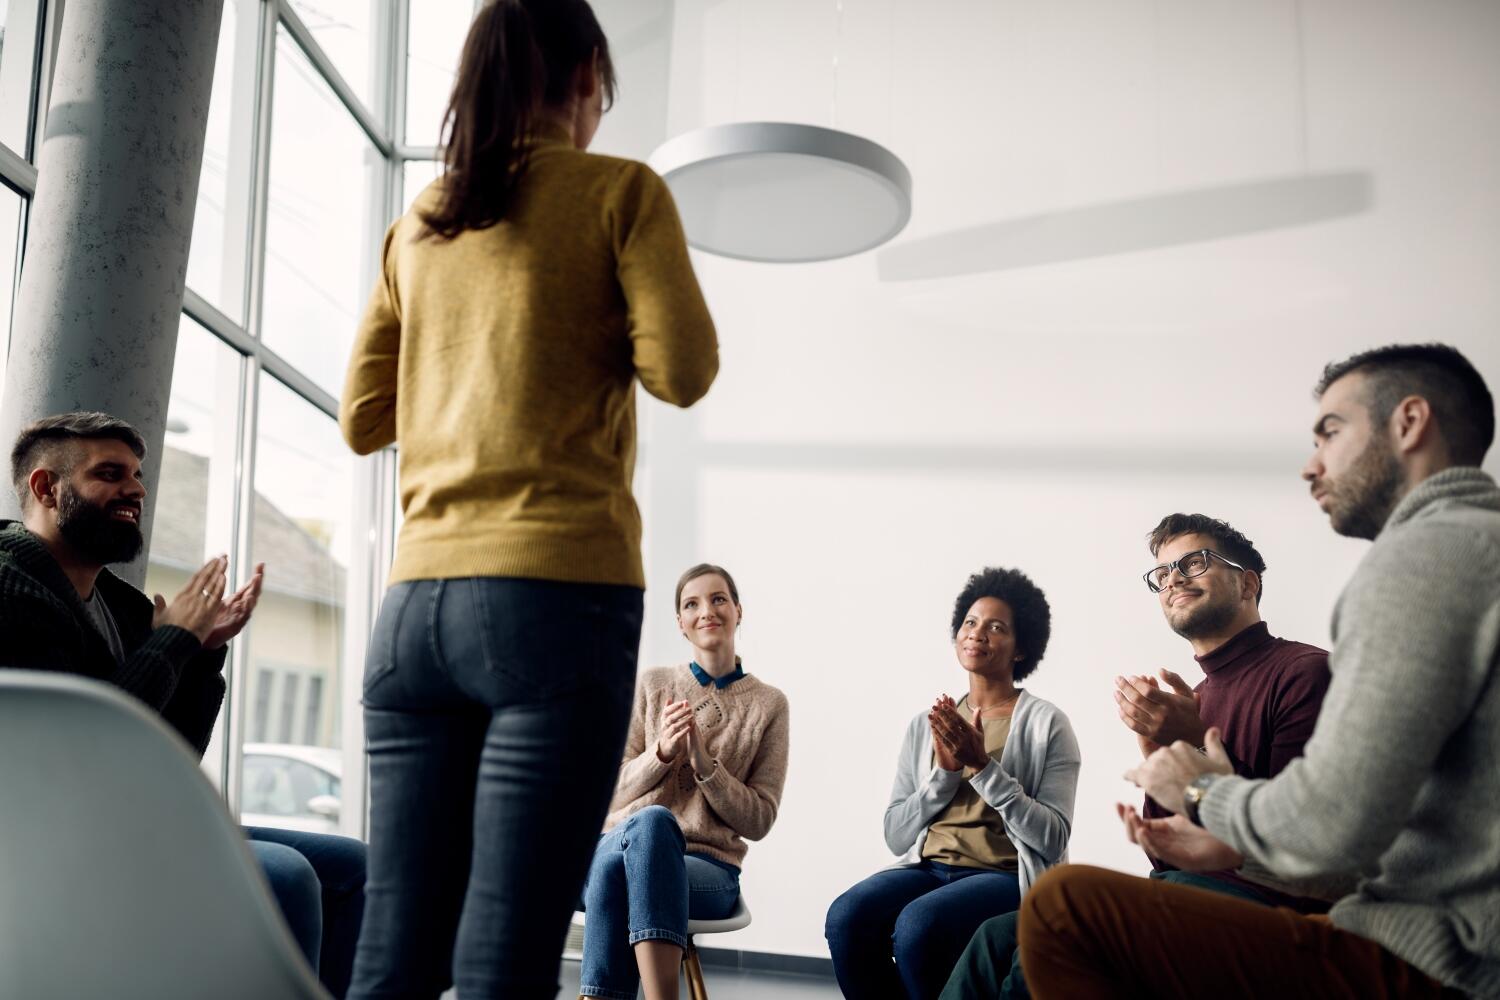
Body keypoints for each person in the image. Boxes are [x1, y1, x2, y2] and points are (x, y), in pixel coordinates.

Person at [338, 1, 718, 995]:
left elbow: (362, 417)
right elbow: (682, 369)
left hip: (412, 609)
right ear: (589, 73)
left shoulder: (418, 224)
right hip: (554, 598)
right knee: (506, 952)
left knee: (395, 947)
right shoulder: (619, 193)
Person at [1017, 343, 1500, 999]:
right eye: (1161, 574)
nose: (1311, 465)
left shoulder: (1422, 558)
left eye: (1330, 431)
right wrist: (1171, 764)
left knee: (1062, 907)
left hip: (1440, 960)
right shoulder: (1475, 543)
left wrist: (1205, 791)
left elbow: (1327, 841)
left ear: (1409, 422)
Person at [0, 411, 366, 998]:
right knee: (289, 875)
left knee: (354, 867)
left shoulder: (120, 604)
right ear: (47, 488)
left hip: (131, 821)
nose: (137, 489)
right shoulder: (10, 586)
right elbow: (86, 748)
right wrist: (177, 641)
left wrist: (199, 654)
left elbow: (168, 756)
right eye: (111, 473)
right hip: (51, 840)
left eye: (139, 475)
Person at [941, 515, 1333, 999]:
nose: (1173, 579)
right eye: (1163, 573)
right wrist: (1157, 756)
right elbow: (1165, 854)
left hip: (1264, 902)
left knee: (1065, 919)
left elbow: (1294, 839)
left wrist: (1188, 744)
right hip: (1186, 887)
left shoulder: (1304, 674)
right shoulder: (1193, 696)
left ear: (1248, 582)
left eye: (1194, 562)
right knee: (993, 940)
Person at [826, 567, 1080, 1000]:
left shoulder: (1046, 724)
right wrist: (943, 776)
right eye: (971, 622)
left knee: (918, 926)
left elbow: (1052, 839)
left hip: (1002, 877)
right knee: (846, 916)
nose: (978, 633)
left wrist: (982, 767)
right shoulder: (927, 725)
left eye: (997, 627)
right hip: (929, 869)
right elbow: (896, 834)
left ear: (1022, 648)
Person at [578, 564, 789, 1000]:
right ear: (680, 623)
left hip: (706, 870)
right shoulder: (653, 684)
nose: (706, 611)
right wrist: (660, 754)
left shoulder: (769, 705)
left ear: (738, 611)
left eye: (718, 599)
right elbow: (608, 792)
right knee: (644, 831)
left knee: (640, 844)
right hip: (617, 849)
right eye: (691, 604)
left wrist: (704, 763)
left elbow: (759, 820)